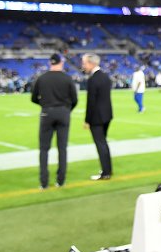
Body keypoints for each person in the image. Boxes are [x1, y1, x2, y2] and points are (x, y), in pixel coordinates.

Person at [31, 53, 77, 189]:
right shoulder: (67, 78)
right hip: (63, 112)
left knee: (44, 149)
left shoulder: (42, 78)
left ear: (50, 63)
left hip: (47, 112)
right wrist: (66, 109)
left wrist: (45, 105)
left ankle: (44, 182)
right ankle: (61, 180)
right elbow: (74, 99)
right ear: (61, 63)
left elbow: (33, 98)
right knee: (62, 148)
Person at [81, 53, 113, 181]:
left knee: (100, 144)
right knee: (104, 143)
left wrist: (87, 120)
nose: (83, 66)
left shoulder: (93, 79)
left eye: (84, 63)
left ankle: (105, 172)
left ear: (91, 63)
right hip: (107, 115)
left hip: (96, 118)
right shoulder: (105, 77)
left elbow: (91, 102)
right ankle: (108, 169)